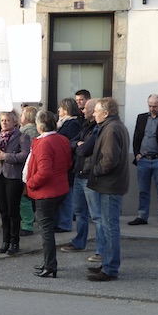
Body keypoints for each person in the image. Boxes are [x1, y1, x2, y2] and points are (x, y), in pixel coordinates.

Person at [87, 97, 130, 282]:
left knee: (110, 227)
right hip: (110, 183)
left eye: (96, 110)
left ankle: (110, 268)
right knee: (107, 225)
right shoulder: (114, 126)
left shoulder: (111, 128)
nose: (93, 113)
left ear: (106, 113)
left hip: (110, 184)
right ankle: (107, 264)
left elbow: (109, 159)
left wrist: (95, 170)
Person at [25, 110, 71, 278]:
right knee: (48, 228)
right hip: (60, 190)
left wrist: (30, 183)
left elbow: (44, 172)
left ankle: (50, 265)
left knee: (46, 230)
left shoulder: (45, 143)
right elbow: (67, 163)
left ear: (39, 126)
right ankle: (49, 262)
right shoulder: (62, 139)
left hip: (46, 193)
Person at [60, 99, 105, 263]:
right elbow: (70, 143)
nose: (83, 110)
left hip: (89, 175)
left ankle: (101, 250)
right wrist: (78, 145)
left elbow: (85, 149)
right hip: (79, 172)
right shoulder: (85, 126)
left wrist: (78, 146)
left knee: (97, 215)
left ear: (95, 110)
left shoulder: (98, 128)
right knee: (80, 211)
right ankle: (79, 242)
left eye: (86, 108)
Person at [0, 111, 30, 255]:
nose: (4, 123)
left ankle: (14, 241)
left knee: (13, 210)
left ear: (14, 122)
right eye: (2, 120)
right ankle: (5, 240)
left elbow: (25, 155)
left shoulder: (22, 136)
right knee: (3, 211)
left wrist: (7, 156)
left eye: (7, 120)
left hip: (13, 176)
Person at [129, 94, 158, 230]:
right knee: (143, 191)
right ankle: (142, 216)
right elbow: (137, 136)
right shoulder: (142, 118)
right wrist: (137, 154)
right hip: (143, 160)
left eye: (155, 106)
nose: (152, 108)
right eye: (150, 105)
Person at [54, 97, 82, 233]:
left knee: (67, 196)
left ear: (67, 109)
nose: (59, 110)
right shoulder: (62, 124)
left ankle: (65, 224)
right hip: (62, 164)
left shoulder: (73, 124)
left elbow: (70, 143)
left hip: (68, 165)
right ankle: (60, 222)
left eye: (61, 108)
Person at [18, 105, 40, 236]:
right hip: (30, 169)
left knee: (25, 198)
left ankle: (27, 224)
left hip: (25, 169)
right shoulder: (33, 131)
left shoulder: (26, 132)